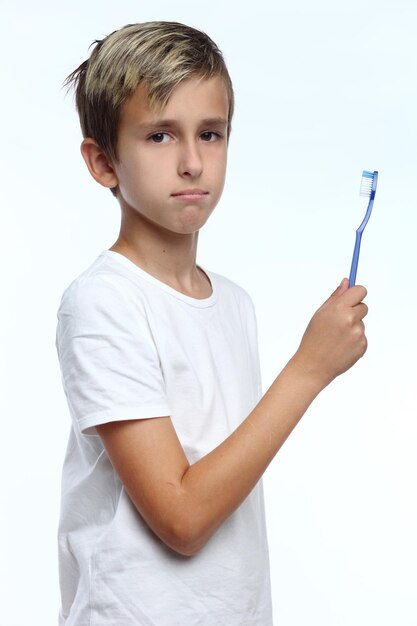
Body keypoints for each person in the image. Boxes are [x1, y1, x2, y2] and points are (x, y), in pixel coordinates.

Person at [55, 21, 368, 626]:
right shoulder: (104, 303)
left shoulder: (235, 304)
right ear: (102, 161)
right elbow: (182, 519)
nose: (193, 162)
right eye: (159, 136)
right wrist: (309, 368)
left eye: (211, 133)